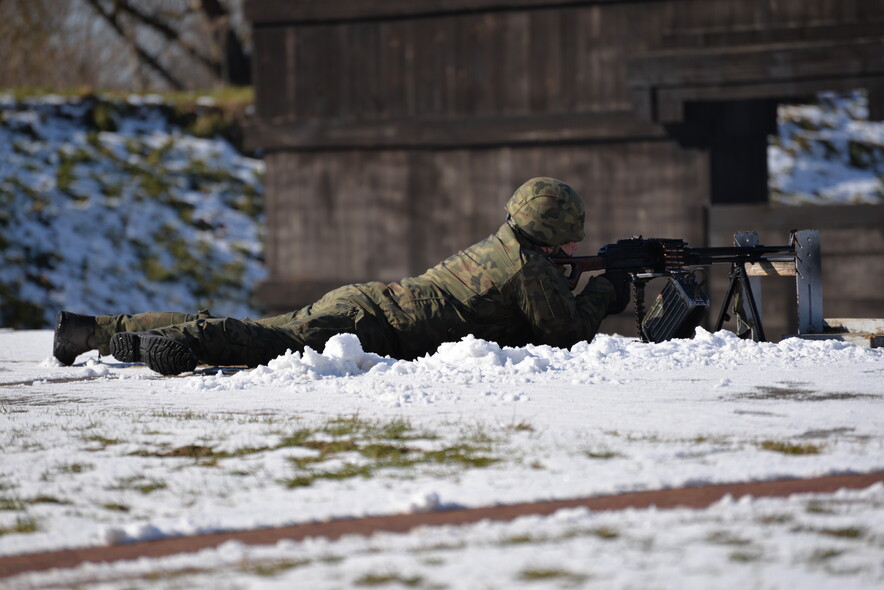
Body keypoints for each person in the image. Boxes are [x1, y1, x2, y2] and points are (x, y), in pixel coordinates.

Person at [53, 177, 630, 375]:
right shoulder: (528, 268)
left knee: (263, 328)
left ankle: (95, 330)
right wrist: (606, 289)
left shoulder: (505, 247)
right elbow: (563, 336)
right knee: (265, 341)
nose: (575, 245)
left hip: (369, 306)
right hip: (371, 325)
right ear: (551, 231)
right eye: (569, 235)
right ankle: (179, 341)